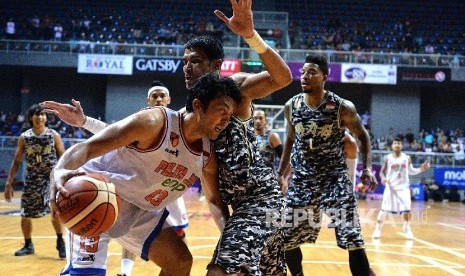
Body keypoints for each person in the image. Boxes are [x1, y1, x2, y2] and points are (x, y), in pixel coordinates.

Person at [43, 1, 293, 274]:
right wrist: (76, 139)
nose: (187, 68)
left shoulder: (235, 90)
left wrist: (249, 36)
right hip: (106, 192)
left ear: (217, 64)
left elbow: (282, 78)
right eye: (184, 62)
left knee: (199, 266)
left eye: (195, 62)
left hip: (250, 198)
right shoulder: (175, 118)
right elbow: (117, 140)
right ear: (198, 107)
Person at [48, 74, 241, 276]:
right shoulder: (155, 122)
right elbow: (87, 148)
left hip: (141, 210)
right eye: (222, 112)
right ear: (199, 106)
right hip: (98, 194)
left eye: (230, 115)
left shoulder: (206, 155)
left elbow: (215, 202)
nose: (227, 121)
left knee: (180, 262)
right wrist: (60, 170)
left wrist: (232, 247)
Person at [276, 54, 378, 276]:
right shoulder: (291, 106)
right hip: (303, 181)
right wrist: (281, 173)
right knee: (286, 237)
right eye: (303, 72)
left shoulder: (343, 107)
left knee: (353, 237)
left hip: (334, 180)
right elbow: (290, 140)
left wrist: (367, 168)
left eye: (312, 72)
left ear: (324, 77)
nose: (305, 76)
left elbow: (363, 136)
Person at [3, 104, 66, 258]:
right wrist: (9, 182)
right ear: (31, 118)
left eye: (43, 114)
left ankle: (60, 242)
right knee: (25, 213)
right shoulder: (25, 137)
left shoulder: (53, 135)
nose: (40, 117)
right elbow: (17, 161)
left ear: (46, 118)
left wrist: (64, 178)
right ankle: (28, 244)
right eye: (37, 114)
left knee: (54, 211)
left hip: (50, 179)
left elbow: (64, 158)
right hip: (32, 180)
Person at [372, 138, 430, 240]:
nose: (397, 145)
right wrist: (383, 178)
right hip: (391, 188)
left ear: (401, 146)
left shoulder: (407, 158)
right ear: (392, 146)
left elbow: (411, 171)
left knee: (407, 210)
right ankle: (378, 229)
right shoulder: (388, 158)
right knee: (384, 211)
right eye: (395, 143)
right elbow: (382, 172)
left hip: (404, 188)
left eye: (399, 143)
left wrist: (421, 169)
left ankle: (406, 228)